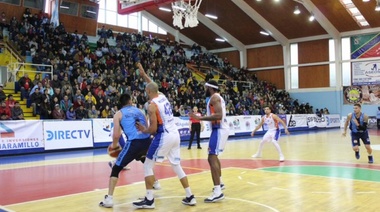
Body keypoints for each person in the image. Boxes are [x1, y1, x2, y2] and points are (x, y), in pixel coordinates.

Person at [133, 63, 196, 209]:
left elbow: (154, 129)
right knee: (177, 166)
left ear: (148, 91)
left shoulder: (151, 106)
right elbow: (152, 85)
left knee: (148, 165)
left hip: (164, 136)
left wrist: (144, 129)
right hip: (175, 134)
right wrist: (144, 75)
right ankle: (190, 196)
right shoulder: (162, 97)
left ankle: (149, 200)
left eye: (146, 89)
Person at [99, 93, 155, 208]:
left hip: (134, 142)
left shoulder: (118, 114)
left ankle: (109, 199)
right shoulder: (140, 111)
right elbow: (147, 125)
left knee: (116, 168)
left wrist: (114, 145)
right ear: (130, 101)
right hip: (147, 141)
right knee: (146, 163)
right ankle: (151, 194)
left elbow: (116, 134)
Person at [188, 80, 229, 203]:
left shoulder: (214, 98)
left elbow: (218, 115)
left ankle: (218, 192)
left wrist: (200, 118)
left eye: (206, 87)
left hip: (219, 129)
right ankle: (220, 183)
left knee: (211, 158)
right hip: (219, 129)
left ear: (210, 88)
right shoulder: (216, 97)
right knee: (213, 157)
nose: (205, 89)